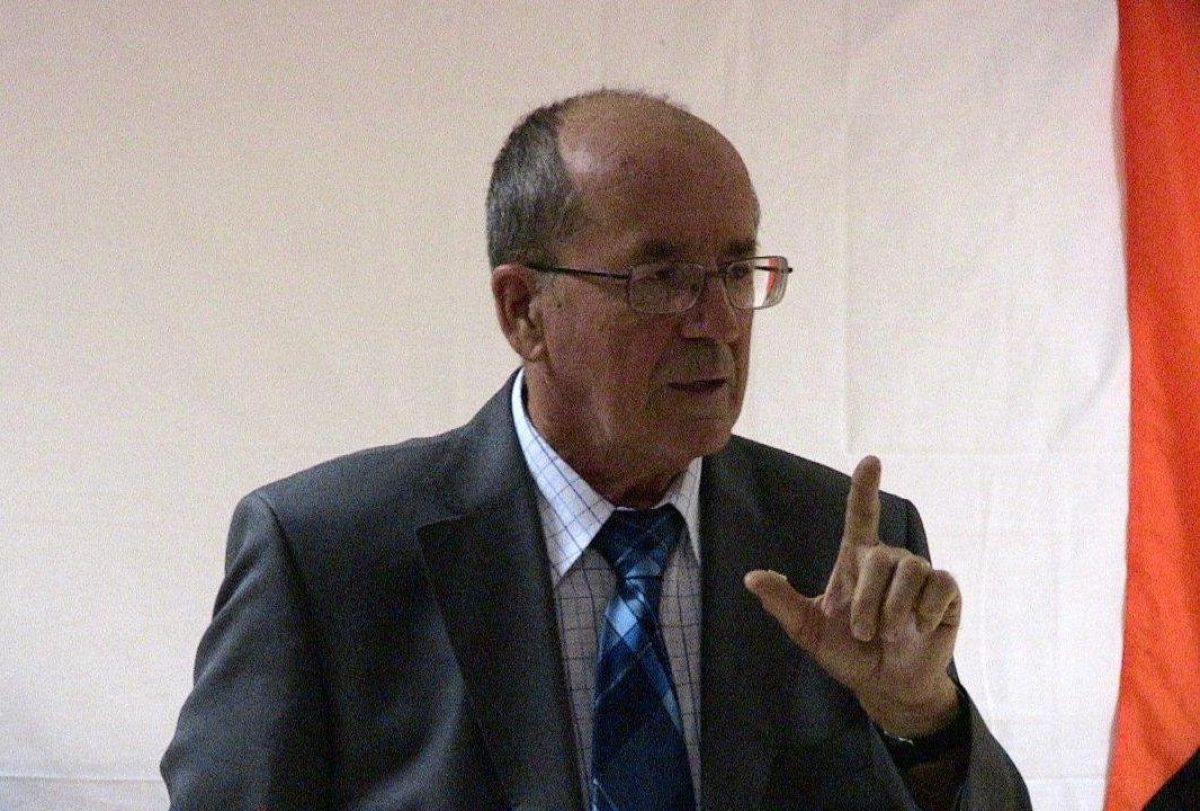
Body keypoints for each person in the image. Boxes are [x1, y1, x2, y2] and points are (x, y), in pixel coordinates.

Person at [162, 89, 1031, 810]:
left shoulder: (837, 547)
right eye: (661, 278)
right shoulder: (326, 555)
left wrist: (920, 719)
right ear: (523, 312)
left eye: (737, 271)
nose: (719, 322)